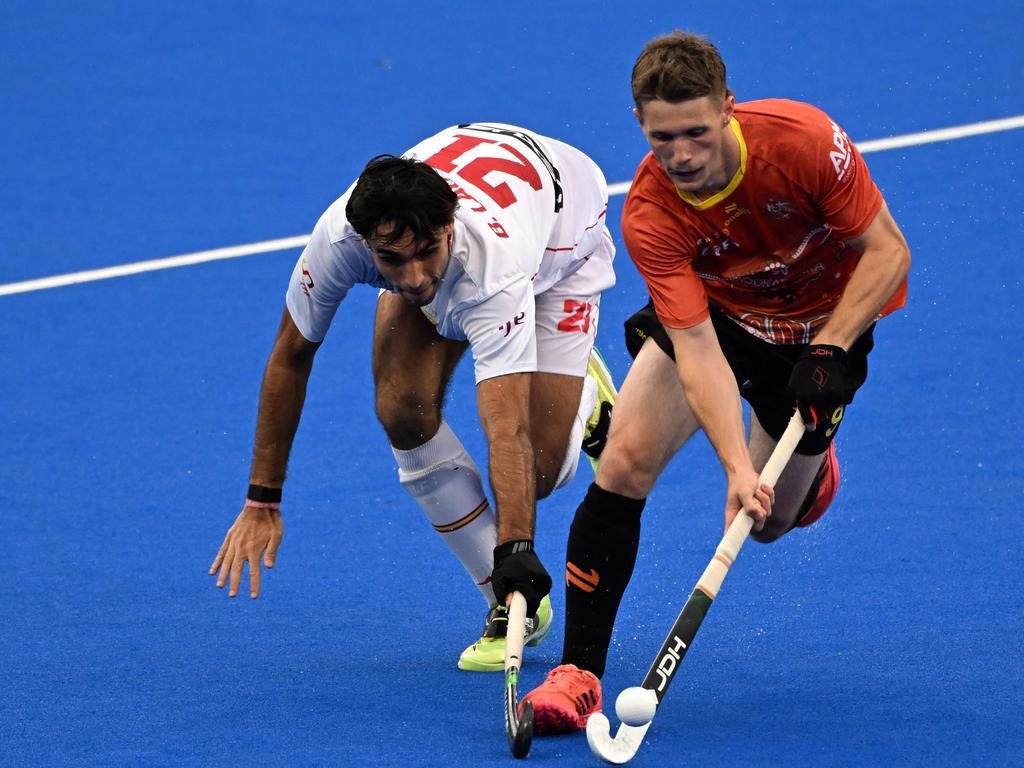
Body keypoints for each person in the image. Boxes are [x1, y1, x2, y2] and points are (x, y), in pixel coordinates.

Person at [521, 31, 911, 732]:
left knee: (767, 526)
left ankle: (811, 478)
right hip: (721, 317)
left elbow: (887, 251)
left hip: (819, 329)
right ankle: (577, 673)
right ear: (641, 123)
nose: (682, 156)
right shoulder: (650, 211)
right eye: (662, 138)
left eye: (697, 132)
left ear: (728, 107)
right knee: (625, 461)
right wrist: (734, 466)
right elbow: (697, 346)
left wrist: (828, 348)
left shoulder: (801, 142)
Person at [208, 123, 619, 672]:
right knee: (401, 407)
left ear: (449, 225)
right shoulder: (341, 239)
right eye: (392, 260)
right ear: (366, 243)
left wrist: (516, 549)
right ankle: (508, 607)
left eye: (426, 251)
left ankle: (584, 395)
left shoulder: (495, 274)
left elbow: (506, 430)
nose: (414, 275)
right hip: (489, 195)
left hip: (561, 244)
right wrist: (262, 500)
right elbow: (290, 356)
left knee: (539, 473)